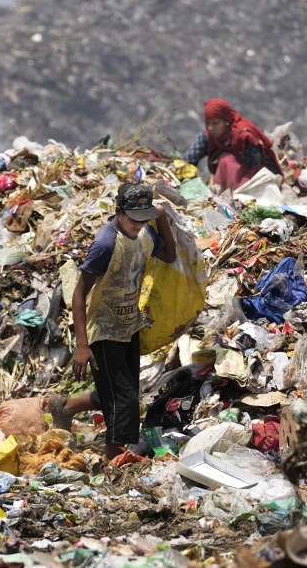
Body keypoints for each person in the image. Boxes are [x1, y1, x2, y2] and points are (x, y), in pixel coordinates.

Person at [50, 183, 176, 460]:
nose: (138, 225)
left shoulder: (145, 233)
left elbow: (170, 255)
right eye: (133, 219)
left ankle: (67, 407)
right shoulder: (106, 243)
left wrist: (162, 218)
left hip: (129, 325)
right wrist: (82, 345)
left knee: (123, 389)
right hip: (104, 331)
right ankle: (113, 465)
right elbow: (79, 292)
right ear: (119, 212)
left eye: (144, 218)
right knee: (125, 401)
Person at [181, 98, 282, 191]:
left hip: (256, 179)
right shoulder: (209, 135)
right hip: (227, 181)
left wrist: (232, 149)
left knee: (226, 160)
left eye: (215, 123)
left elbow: (256, 160)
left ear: (226, 121)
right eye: (207, 123)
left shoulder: (242, 134)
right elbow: (190, 158)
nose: (211, 128)